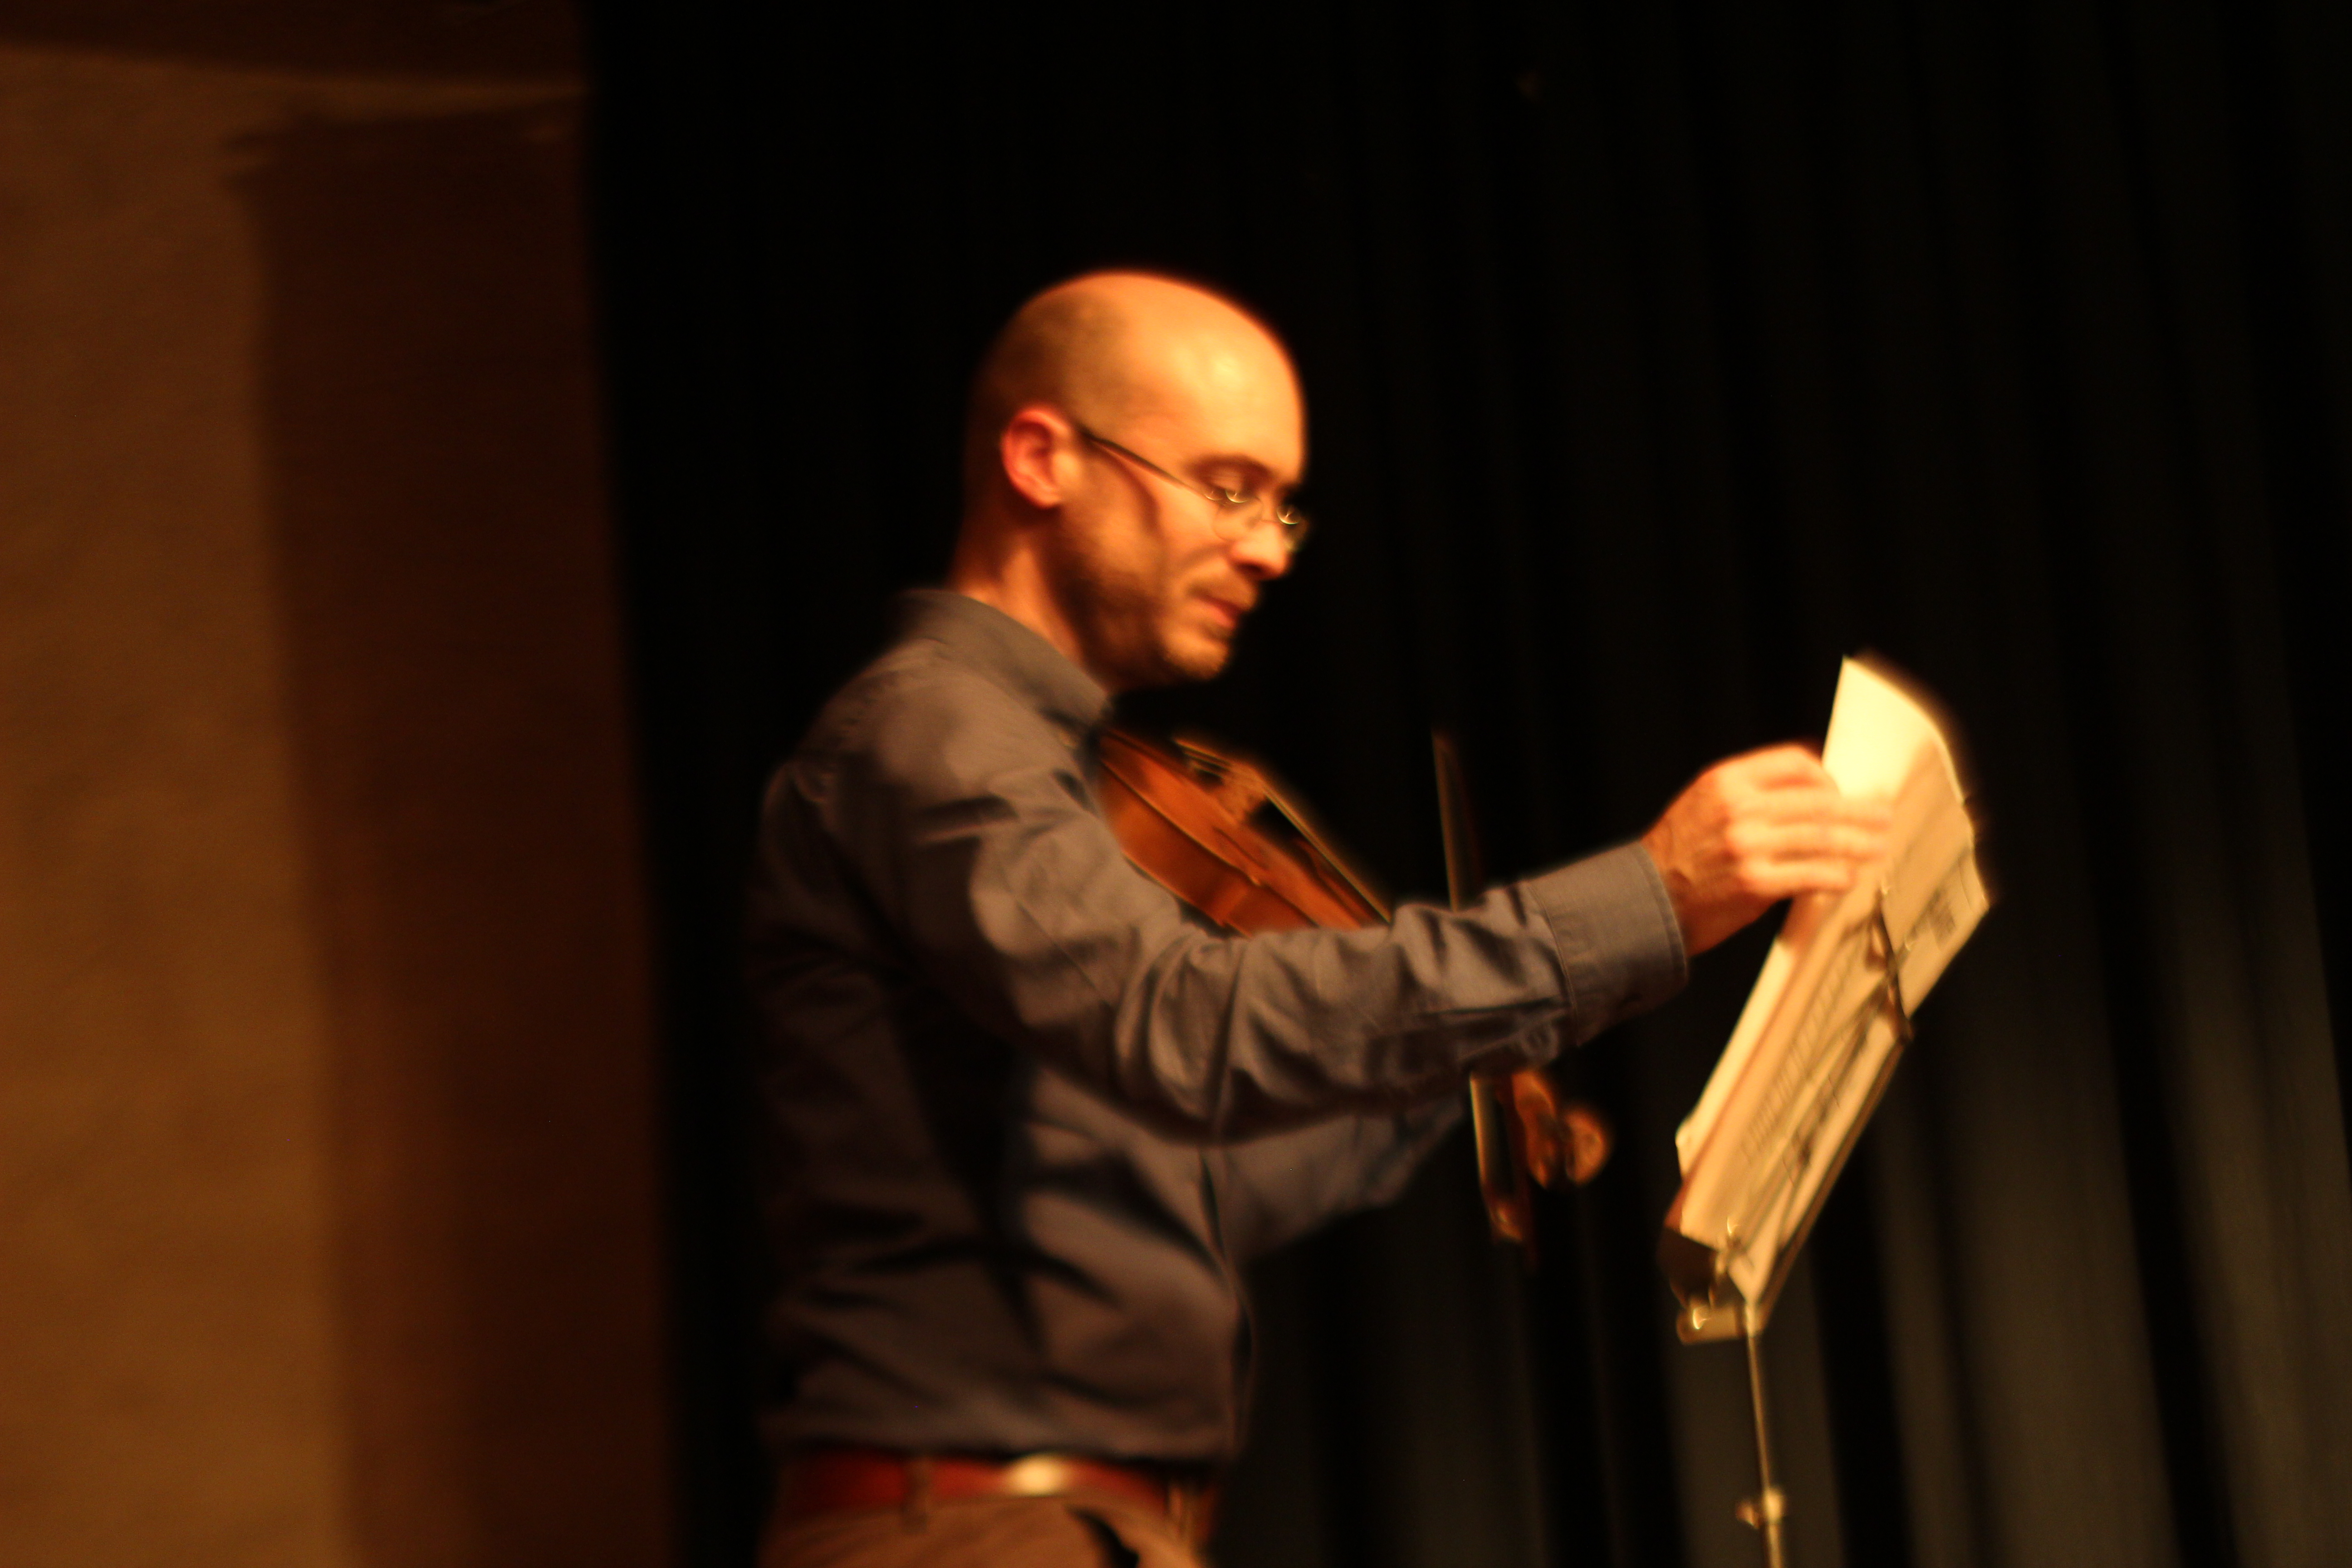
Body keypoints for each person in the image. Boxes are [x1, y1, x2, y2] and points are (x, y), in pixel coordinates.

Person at [747, 272, 1888, 1568]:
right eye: (1227, 487)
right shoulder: (935, 731)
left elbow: (1171, 1182)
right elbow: (1185, 1028)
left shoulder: (1035, 769)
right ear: (1042, 457)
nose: (1271, 549)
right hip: (978, 1532)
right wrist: (1645, 900)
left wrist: (1472, 1064)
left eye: (1283, 506)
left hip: (1076, 1527)